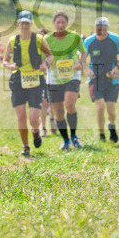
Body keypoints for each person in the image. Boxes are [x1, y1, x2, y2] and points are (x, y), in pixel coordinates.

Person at [3, 10, 54, 157]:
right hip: (18, 79)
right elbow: (5, 60)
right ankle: (25, 146)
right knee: (21, 116)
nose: (24, 25)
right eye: (22, 23)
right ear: (18, 24)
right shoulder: (13, 40)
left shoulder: (38, 39)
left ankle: (36, 131)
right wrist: (9, 65)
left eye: (27, 23)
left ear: (31, 23)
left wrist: (45, 64)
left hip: (35, 80)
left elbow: (50, 56)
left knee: (33, 118)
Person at [44, 11, 88, 150]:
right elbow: (42, 58)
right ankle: (65, 140)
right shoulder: (47, 39)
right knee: (58, 112)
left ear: (67, 23)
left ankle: (74, 136)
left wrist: (80, 63)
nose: (60, 25)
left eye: (63, 22)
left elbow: (84, 52)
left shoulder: (74, 37)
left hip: (72, 77)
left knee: (69, 104)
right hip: (54, 79)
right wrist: (47, 63)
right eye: (58, 22)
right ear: (54, 23)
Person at [85, 16, 119, 143]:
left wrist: (117, 68)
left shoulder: (115, 39)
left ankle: (111, 126)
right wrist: (87, 69)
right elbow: (82, 59)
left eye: (104, 28)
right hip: (95, 79)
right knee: (100, 108)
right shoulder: (89, 41)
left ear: (107, 28)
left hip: (111, 80)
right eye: (99, 28)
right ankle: (101, 134)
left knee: (111, 111)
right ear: (95, 28)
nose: (101, 31)